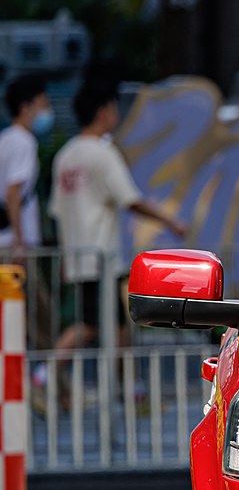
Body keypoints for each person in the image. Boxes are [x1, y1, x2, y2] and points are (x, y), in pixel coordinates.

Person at [49, 80, 187, 352]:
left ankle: (118, 384)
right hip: (101, 256)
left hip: (79, 257)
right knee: (96, 325)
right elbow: (131, 200)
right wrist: (171, 222)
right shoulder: (103, 153)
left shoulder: (65, 156)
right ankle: (51, 373)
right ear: (102, 112)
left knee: (107, 324)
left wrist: (65, 256)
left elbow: (57, 211)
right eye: (114, 109)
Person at [0, 74, 53, 260]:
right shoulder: (24, 142)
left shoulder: (6, 138)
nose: (47, 111)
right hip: (14, 241)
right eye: (43, 105)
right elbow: (13, 192)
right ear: (25, 108)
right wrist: (20, 243)